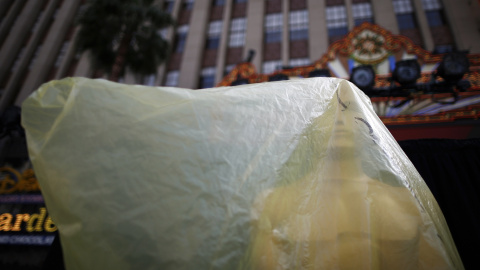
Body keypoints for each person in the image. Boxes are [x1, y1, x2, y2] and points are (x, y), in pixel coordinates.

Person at [242, 90, 454, 269]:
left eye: (349, 108)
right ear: (308, 126)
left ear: (367, 122)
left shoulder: (408, 199)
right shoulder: (274, 202)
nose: (338, 118)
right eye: (325, 110)